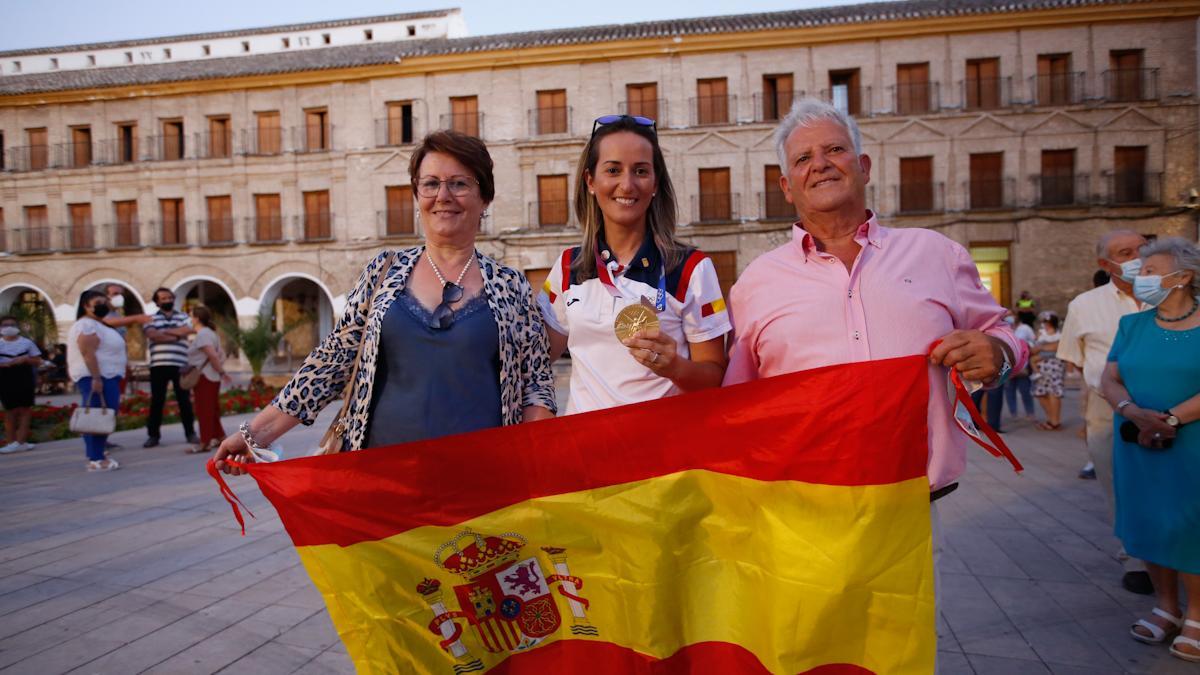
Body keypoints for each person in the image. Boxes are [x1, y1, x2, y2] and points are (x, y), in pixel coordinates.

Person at [215, 130, 556, 474]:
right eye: (430, 184)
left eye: (460, 184)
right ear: (416, 194)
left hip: (482, 479)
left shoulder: (512, 285)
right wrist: (254, 433)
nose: (443, 195)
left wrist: (529, 467)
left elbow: (536, 385)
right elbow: (332, 361)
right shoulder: (384, 271)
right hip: (382, 477)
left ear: (485, 198)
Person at [538, 114, 731, 412]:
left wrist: (674, 366)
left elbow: (716, 377)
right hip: (586, 449)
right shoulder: (567, 266)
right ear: (591, 181)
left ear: (655, 183)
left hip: (662, 451)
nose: (627, 185)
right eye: (613, 170)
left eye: (640, 171)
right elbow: (534, 361)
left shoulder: (692, 268)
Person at [1099, 237, 1200, 661]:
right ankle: (1166, 605)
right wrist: (1133, 412)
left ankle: (1196, 614)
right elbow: (1109, 378)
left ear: (1183, 277)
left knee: (1190, 522)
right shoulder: (1133, 325)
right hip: (1137, 440)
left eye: (1152, 269)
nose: (1142, 277)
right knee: (1149, 520)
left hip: (1189, 442)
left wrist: (1171, 419)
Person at [1057, 229, 1151, 594]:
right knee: (1118, 482)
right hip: (1107, 405)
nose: (1138, 256)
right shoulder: (1085, 304)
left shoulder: (1179, 298)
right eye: (1127, 252)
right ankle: (1136, 558)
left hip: (1174, 402)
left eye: (1144, 248)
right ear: (1105, 264)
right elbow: (1079, 360)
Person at [67, 290, 126, 472]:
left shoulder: (98, 324)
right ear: (86, 305)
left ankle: (97, 452)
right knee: (97, 416)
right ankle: (96, 459)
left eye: (104, 301)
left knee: (103, 415)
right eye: (97, 302)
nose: (102, 305)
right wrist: (96, 377)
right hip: (97, 376)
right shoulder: (86, 325)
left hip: (107, 376)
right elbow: (88, 352)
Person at [143, 287, 198, 448]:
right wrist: (176, 333)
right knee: (157, 401)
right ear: (157, 302)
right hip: (158, 365)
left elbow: (188, 329)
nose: (167, 300)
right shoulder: (150, 318)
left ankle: (190, 433)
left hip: (180, 365)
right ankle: (153, 435)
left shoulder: (183, 316)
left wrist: (164, 332)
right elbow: (153, 335)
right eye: (163, 298)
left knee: (184, 400)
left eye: (169, 297)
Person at [185, 305, 232, 454]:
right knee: (211, 408)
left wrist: (222, 372)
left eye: (191, 316)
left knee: (204, 409)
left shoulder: (203, 334)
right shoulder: (211, 333)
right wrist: (220, 371)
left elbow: (212, 355)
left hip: (205, 376)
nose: (190, 319)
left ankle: (204, 442)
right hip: (211, 375)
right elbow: (220, 354)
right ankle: (219, 436)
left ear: (197, 318)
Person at [0, 315, 44, 454]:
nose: (9, 327)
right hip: (5, 377)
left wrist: (26, 359)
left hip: (24, 376)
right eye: (5, 325)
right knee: (10, 410)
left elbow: (38, 360)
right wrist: (6, 363)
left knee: (25, 409)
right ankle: (11, 441)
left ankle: (21, 441)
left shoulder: (27, 343)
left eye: (12, 324)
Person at [1031, 311, 1065, 430]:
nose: (1046, 324)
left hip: (1055, 366)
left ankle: (1054, 421)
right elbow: (1033, 349)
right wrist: (1047, 348)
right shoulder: (1040, 334)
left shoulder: (1060, 334)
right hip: (1040, 367)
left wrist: (1042, 348)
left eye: (1048, 322)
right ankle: (1052, 418)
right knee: (1040, 393)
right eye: (1045, 322)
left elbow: (1059, 347)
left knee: (1053, 392)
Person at [1005, 310, 1037, 422]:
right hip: (1008, 366)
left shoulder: (1025, 328)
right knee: (1009, 390)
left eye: (1011, 315)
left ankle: (1030, 413)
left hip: (1023, 365)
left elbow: (1034, 342)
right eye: (1007, 315)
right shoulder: (1004, 328)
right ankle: (1013, 413)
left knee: (1025, 390)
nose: (1009, 317)